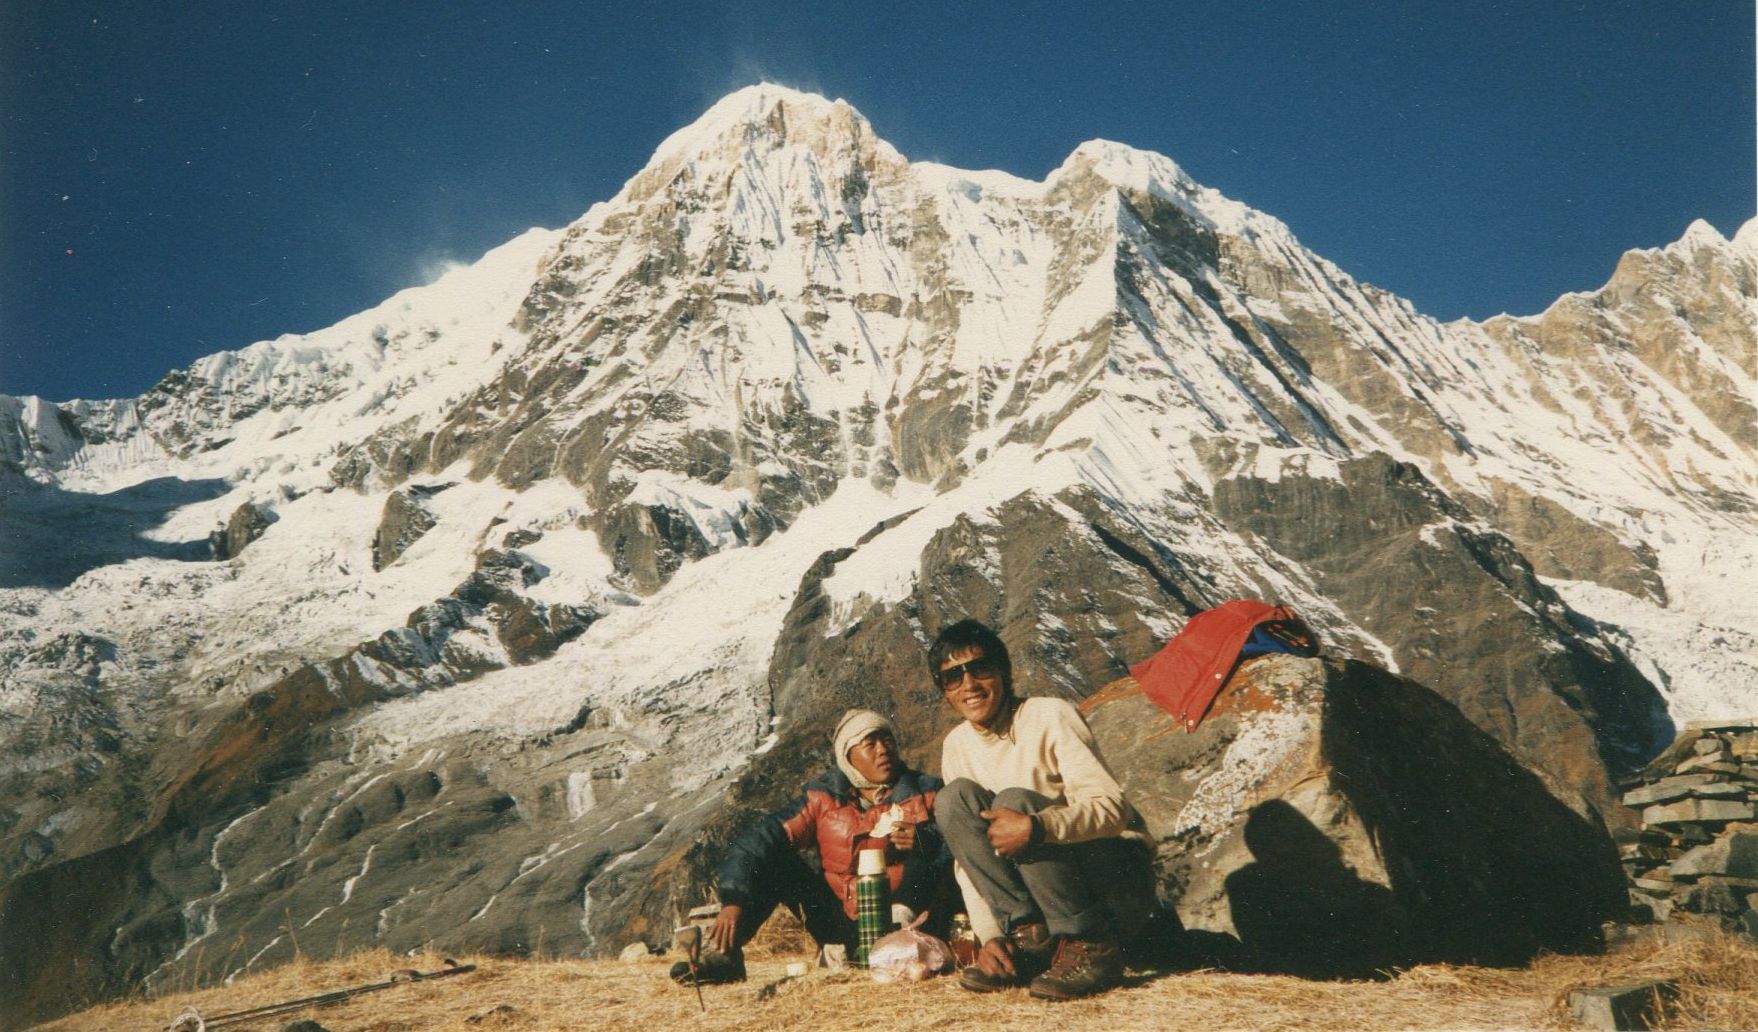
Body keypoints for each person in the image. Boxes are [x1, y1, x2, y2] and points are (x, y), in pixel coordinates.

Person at [933, 618, 1158, 1001]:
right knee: (952, 801)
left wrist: (1037, 827)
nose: (968, 685)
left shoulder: (1049, 715)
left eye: (980, 669)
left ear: (1003, 672)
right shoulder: (957, 746)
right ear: (945, 692)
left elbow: (1111, 809)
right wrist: (990, 935)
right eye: (953, 677)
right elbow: (968, 858)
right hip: (1046, 901)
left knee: (1014, 803)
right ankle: (1030, 940)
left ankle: (1092, 946)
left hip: (1114, 885)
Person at [670, 709, 953, 984]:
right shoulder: (822, 798)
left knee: (929, 850)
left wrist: (926, 840)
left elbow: (961, 844)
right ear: (848, 756)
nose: (883, 750)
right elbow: (756, 842)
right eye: (869, 743)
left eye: (887, 740)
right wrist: (734, 900)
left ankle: (895, 949)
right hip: (841, 919)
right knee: (776, 859)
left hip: (904, 921)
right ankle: (725, 956)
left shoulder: (925, 792)